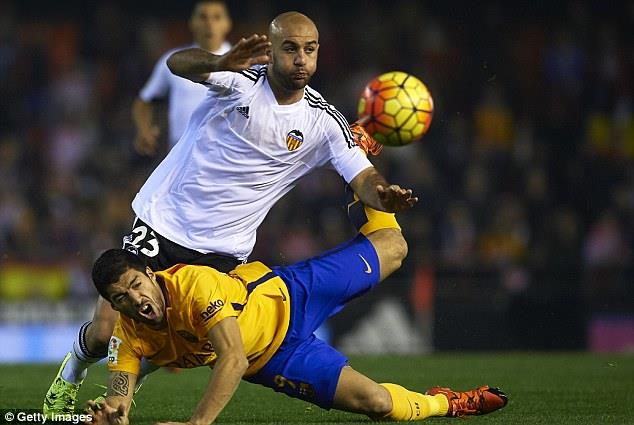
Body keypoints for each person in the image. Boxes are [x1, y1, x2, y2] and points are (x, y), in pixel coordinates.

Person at [44, 11, 417, 416]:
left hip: (223, 253)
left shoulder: (324, 122)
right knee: (105, 332)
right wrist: (220, 62)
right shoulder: (240, 80)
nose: (300, 60)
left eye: (309, 50)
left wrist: (383, 194)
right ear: (271, 51)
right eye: (290, 49)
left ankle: (120, 400)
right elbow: (177, 64)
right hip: (164, 223)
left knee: (186, 339)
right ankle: (72, 373)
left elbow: (362, 176)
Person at [84, 208, 507, 425]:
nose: (134, 300)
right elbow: (121, 394)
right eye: (120, 298)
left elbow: (230, 359)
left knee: (395, 247)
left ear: (149, 273)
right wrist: (112, 417)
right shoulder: (128, 335)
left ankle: (360, 160)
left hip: (292, 293)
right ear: (113, 304)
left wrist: (198, 423)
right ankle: (447, 403)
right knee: (378, 404)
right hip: (274, 360)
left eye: (136, 285)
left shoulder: (193, 284)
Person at [132, 0, 232, 155]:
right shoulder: (174, 61)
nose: (209, 24)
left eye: (216, 17)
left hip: (224, 157)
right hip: (181, 157)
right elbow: (144, 101)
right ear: (192, 23)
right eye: (203, 17)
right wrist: (144, 130)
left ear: (227, 24)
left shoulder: (241, 63)